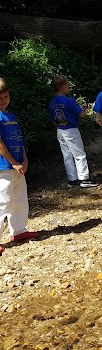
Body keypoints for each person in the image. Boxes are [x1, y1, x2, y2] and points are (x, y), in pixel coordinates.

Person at [0, 77, 38, 251]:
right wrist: (13, 162)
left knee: (20, 198)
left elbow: (18, 138)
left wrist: (24, 159)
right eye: (0, 98)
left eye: (6, 96)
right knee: (3, 201)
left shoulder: (10, 115)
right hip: (4, 167)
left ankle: (19, 230)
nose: (4, 100)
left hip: (17, 164)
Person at [49, 75, 99, 189]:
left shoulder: (52, 102)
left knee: (67, 155)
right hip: (71, 129)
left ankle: (72, 179)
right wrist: (82, 108)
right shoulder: (68, 101)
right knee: (79, 154)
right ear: (63, 87)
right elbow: (81, 114)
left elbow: (53, 119)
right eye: (68, 86)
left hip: (60, 130)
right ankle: (84, 179)